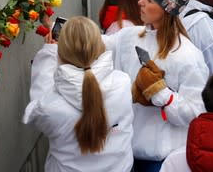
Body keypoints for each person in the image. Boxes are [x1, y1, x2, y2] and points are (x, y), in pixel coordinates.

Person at [106, 0, 209, 172]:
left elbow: (195, 113)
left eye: (149, 0)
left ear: (166, 10)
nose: (140, 2)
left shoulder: (187, 56)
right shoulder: (129, 36)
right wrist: (66, 37)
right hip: (123, 152)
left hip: (161, 160)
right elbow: (97, 48)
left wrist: (160, 93)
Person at [24, 16, 135, 172]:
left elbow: (35, 110)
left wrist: (48, 56)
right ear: (100, 45)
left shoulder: (51, 107)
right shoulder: (122, 83)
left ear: (61, 54)